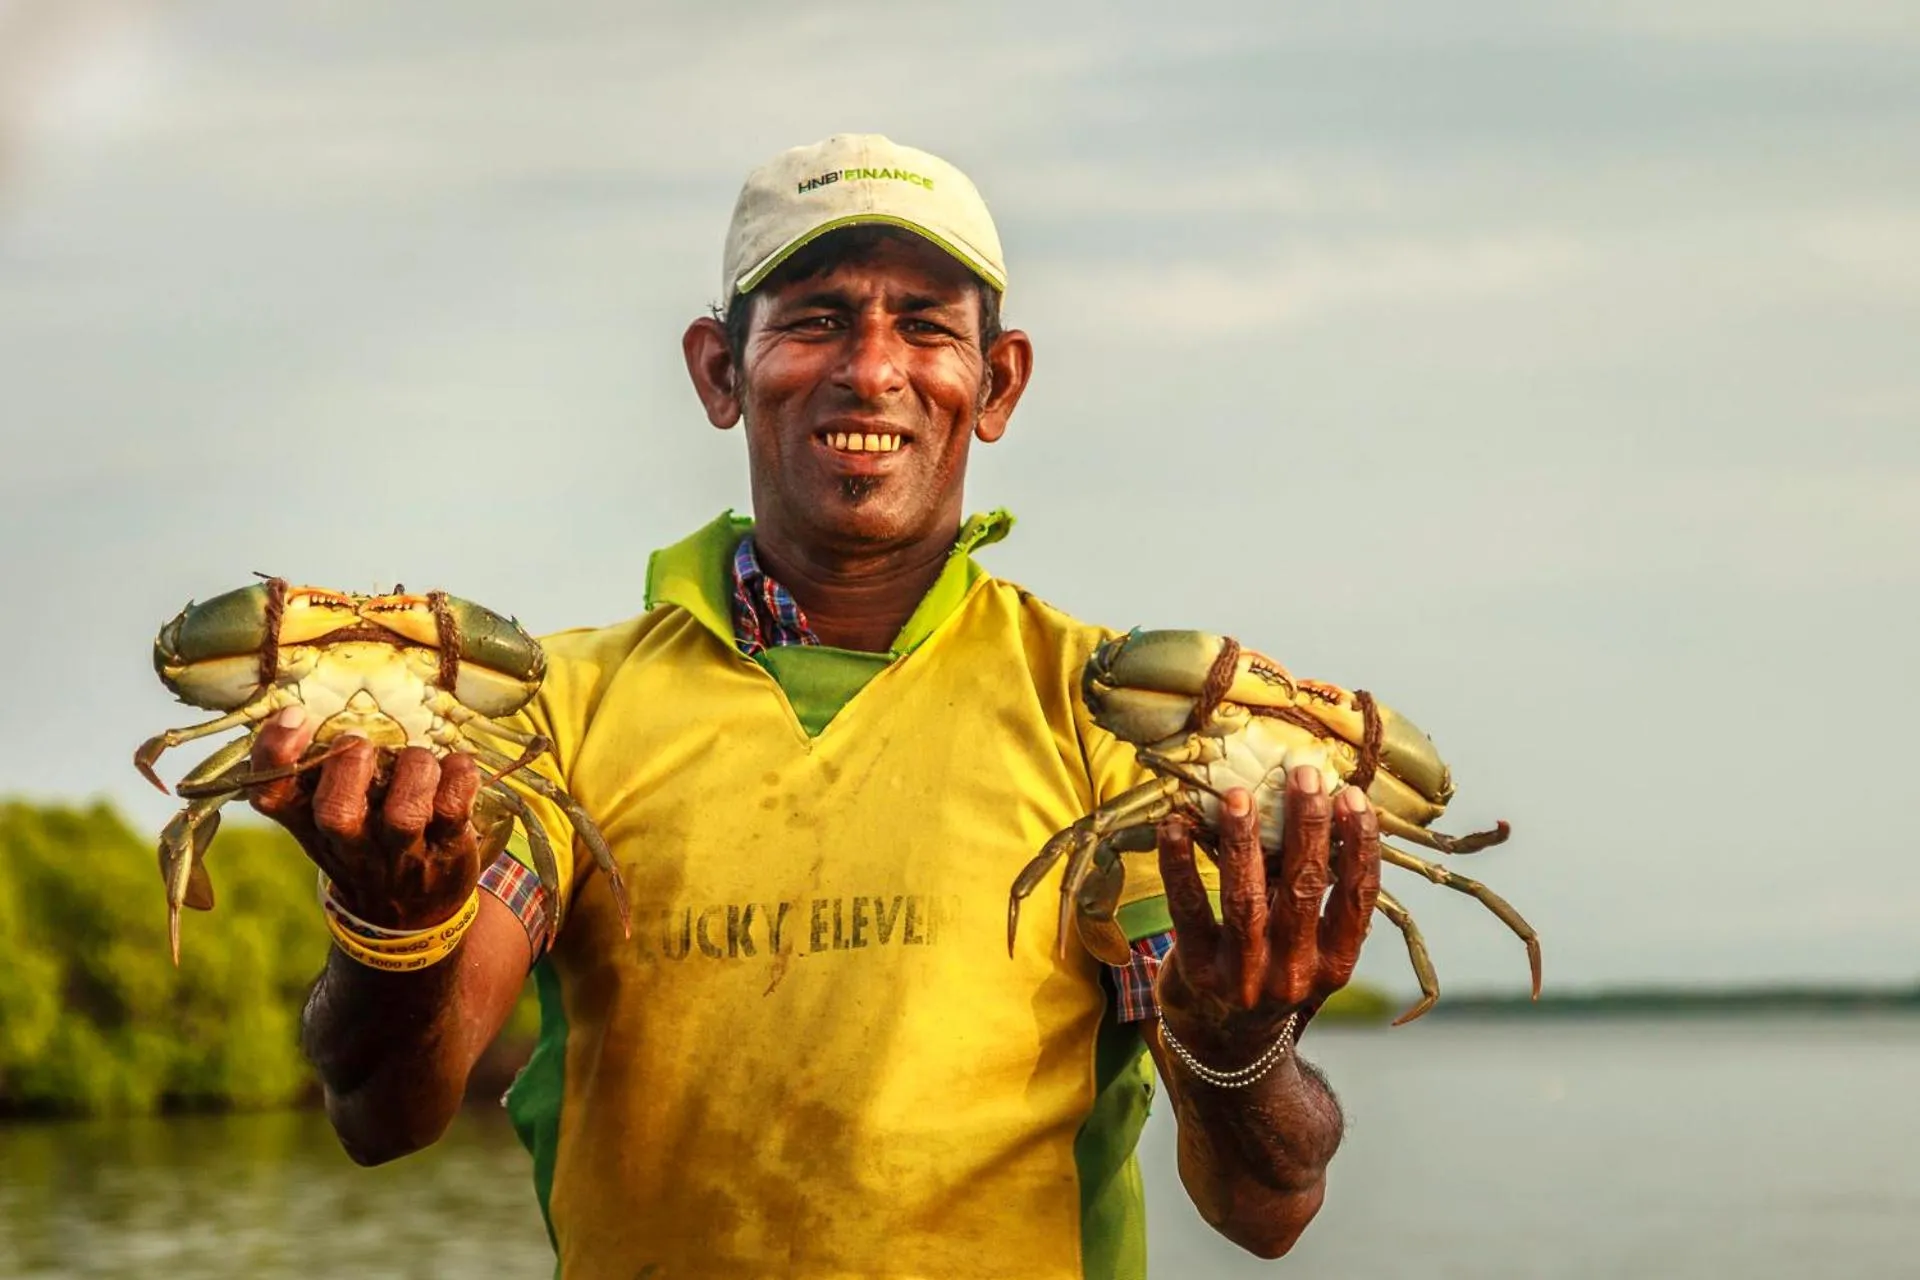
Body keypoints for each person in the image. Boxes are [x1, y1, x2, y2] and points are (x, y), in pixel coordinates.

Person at [249, 135, 1382, 1279]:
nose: (873, 368)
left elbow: (1264, 1206)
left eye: (926, 326)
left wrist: (1242, 1041)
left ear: (998, 383)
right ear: (719, 371)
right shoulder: (556, 710)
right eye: (819, 318)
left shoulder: (1116, 713)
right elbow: (384, 1114)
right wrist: (391, 926)